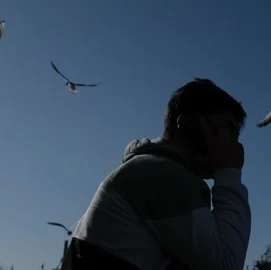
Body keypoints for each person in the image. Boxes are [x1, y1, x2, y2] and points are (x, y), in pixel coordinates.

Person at [61, 78, 251, 270]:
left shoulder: (148, 168)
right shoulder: (163, 175)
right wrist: (229, 174)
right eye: (228, 130)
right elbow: (226, 264)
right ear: (189, 124)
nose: (235, 146)